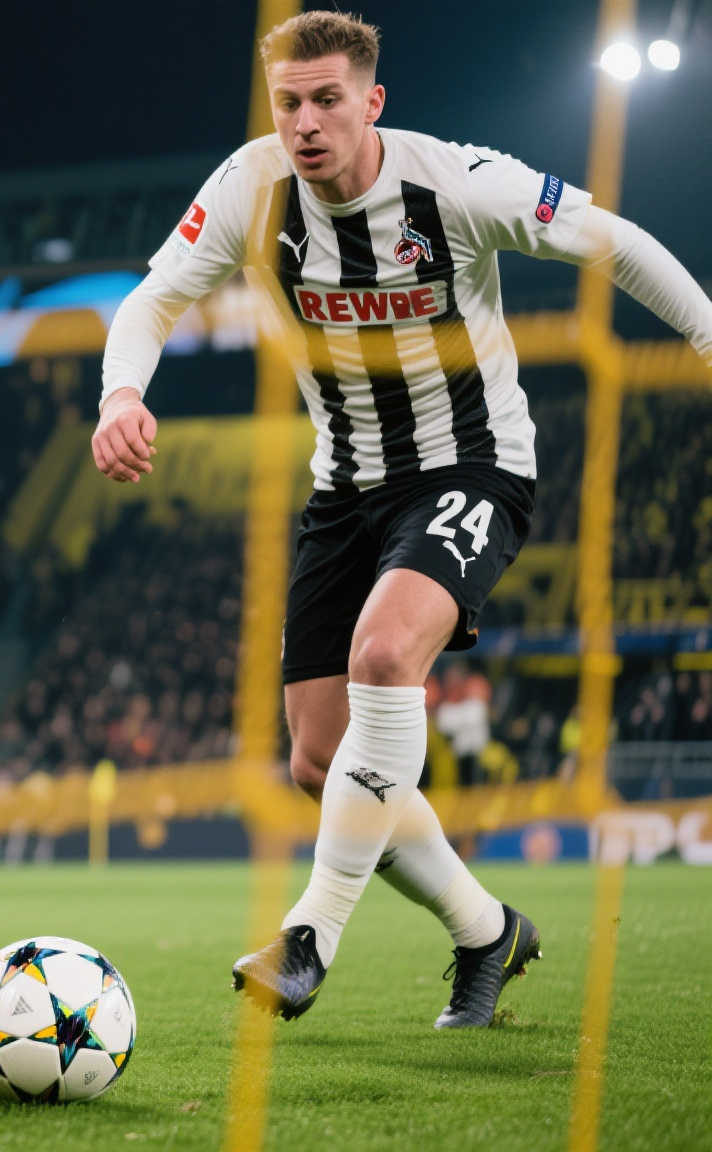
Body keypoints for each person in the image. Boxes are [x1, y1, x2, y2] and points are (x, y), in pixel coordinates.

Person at [92, 10, 712, 1028]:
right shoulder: (248, 188)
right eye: (287, 103)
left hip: (471, 466)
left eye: (326, 100)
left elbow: (616, 241)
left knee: (384, 657)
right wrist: (121, 394)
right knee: (314, 759)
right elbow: (153, 299)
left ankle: (310, 933)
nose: (304, 123)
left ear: (371, 101)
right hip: (342, 490)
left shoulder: (455, 184)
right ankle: (486, 930)